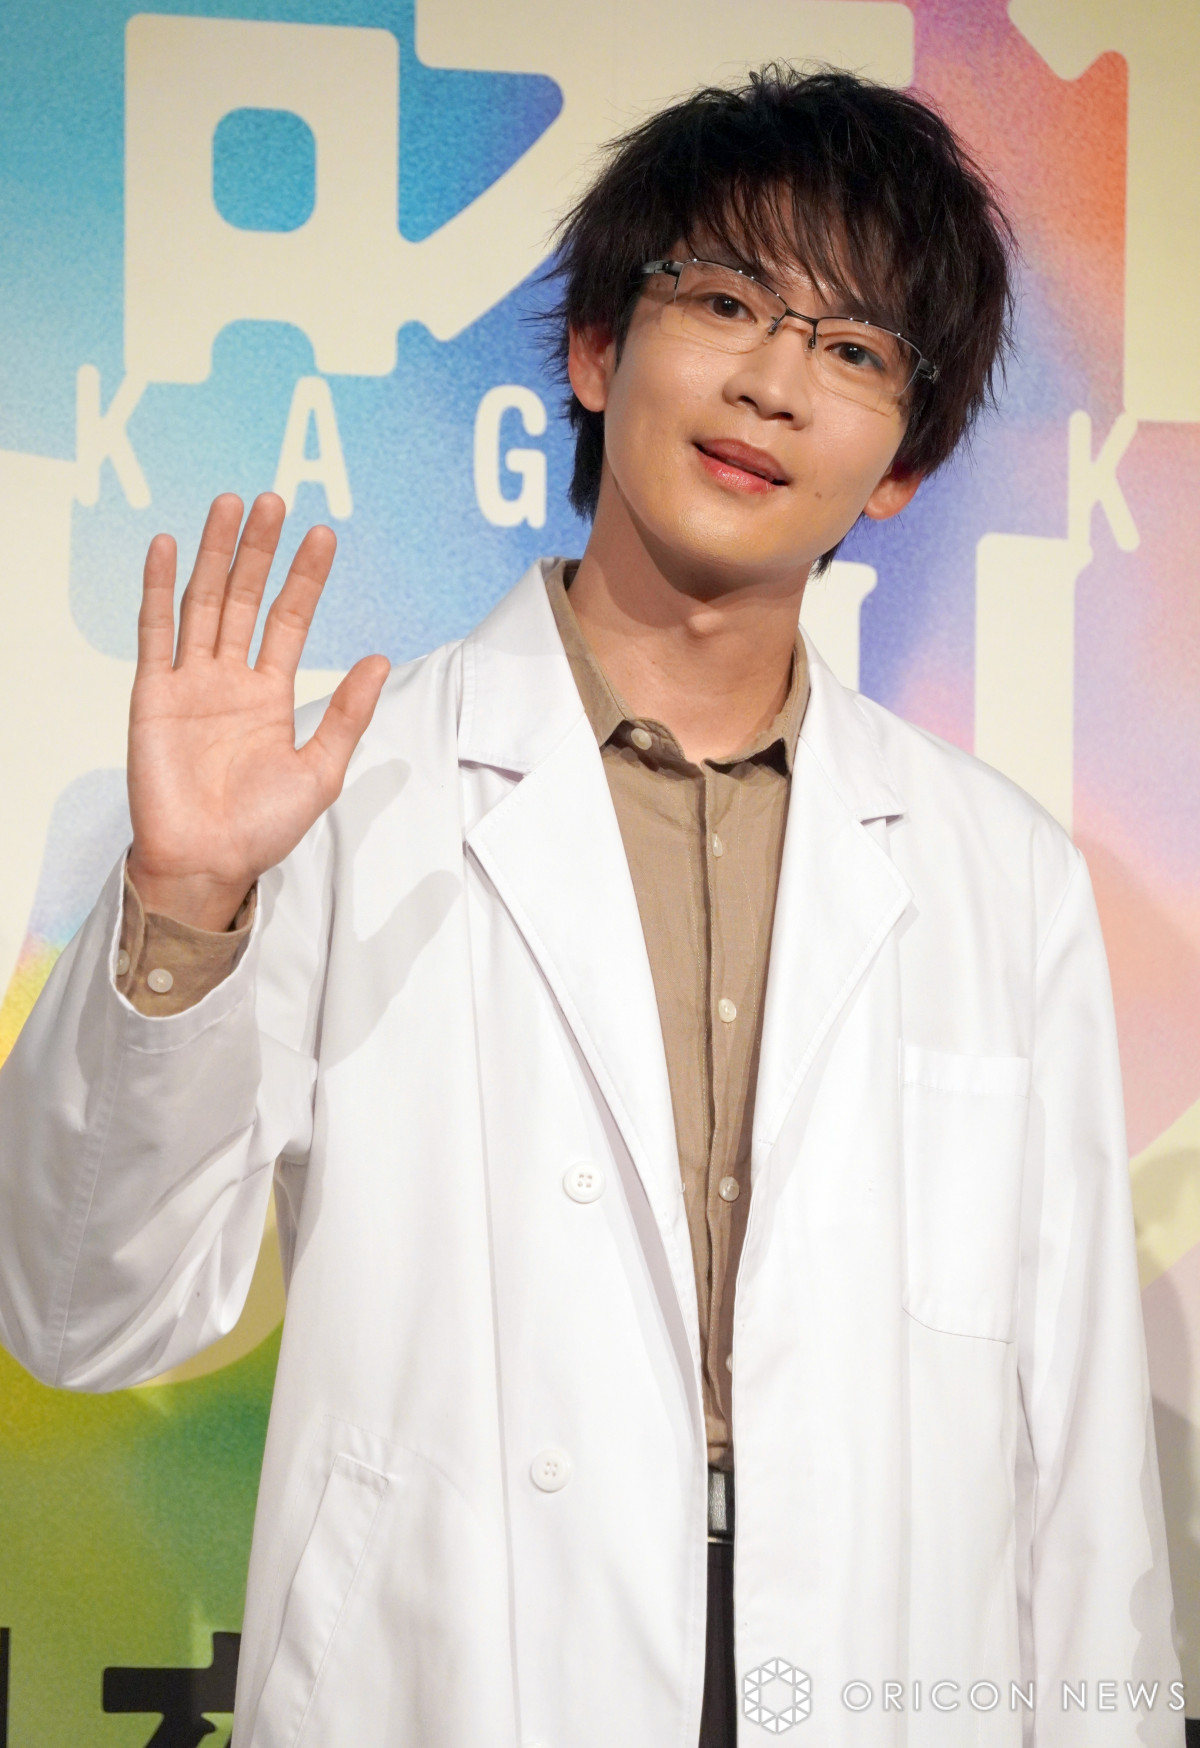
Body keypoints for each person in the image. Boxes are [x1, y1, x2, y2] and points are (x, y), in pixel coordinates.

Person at [0, 65, 1182, 1747]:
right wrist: (185, 897)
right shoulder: (347, 794)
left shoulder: (1000, 872)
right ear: (597, 349)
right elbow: (82, 1311)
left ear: (903, 468)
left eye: (854, 351)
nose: (774, 383)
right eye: (727, 302)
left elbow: (1080, 1455)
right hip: (458, 1676)